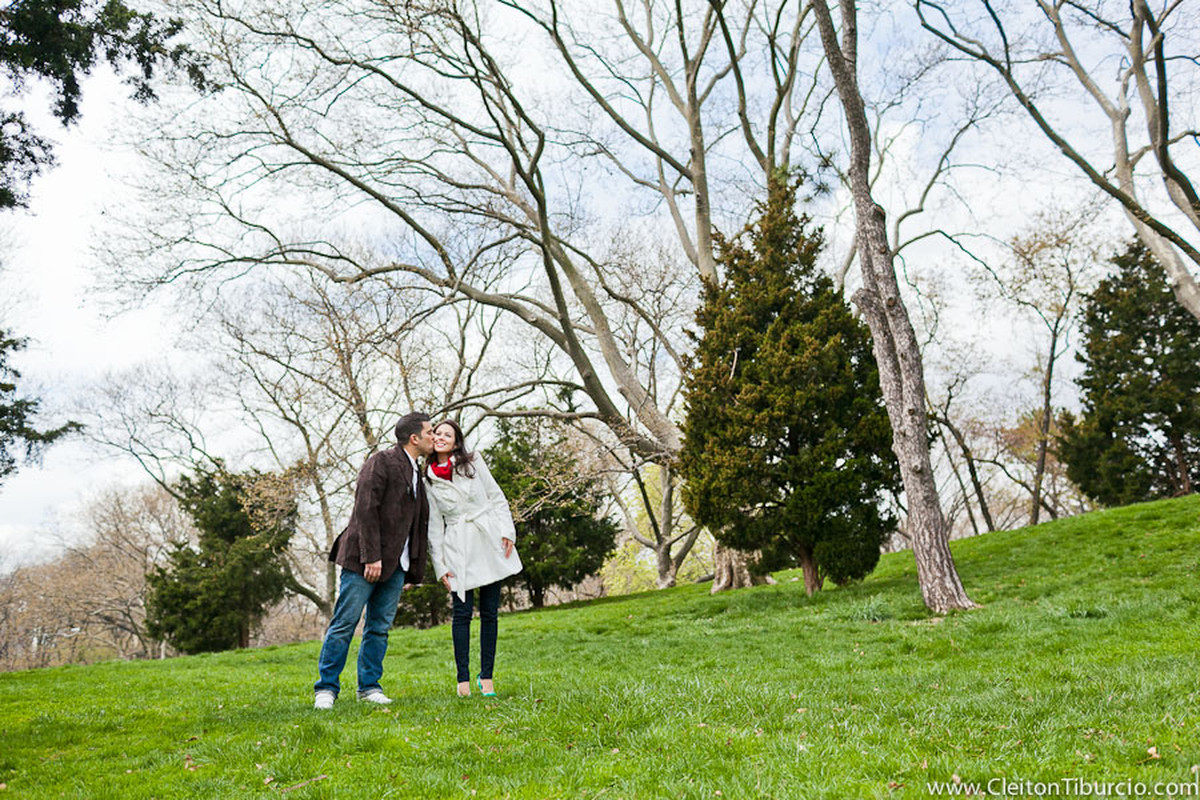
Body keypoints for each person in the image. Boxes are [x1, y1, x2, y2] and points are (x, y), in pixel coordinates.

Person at [313, 412, 434, 709]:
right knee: (345, 623)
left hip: (396, 566)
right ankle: (326, 689)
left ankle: (369, 687)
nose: (434, 436)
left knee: (378, 628)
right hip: (363, 561)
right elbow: (365, 509)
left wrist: (409, 571)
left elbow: (415, 526)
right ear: (414, 438)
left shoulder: (418, 474)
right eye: (430, 432)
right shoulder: (381, 461)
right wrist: (372, 557)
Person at [425, 419, 522, 697]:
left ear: (456, 442)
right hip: (458, 546)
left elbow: (496, 497)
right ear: (432, 440)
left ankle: (487, 676)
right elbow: (434, 525)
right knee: (461, 614)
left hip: (487, 539)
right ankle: (463, 680)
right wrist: (440, 566)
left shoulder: (474, 462)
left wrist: (507, 531)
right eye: (438, 434)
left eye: (448, 434)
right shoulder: (428, 478)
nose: (441, 437)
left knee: (490, 613)